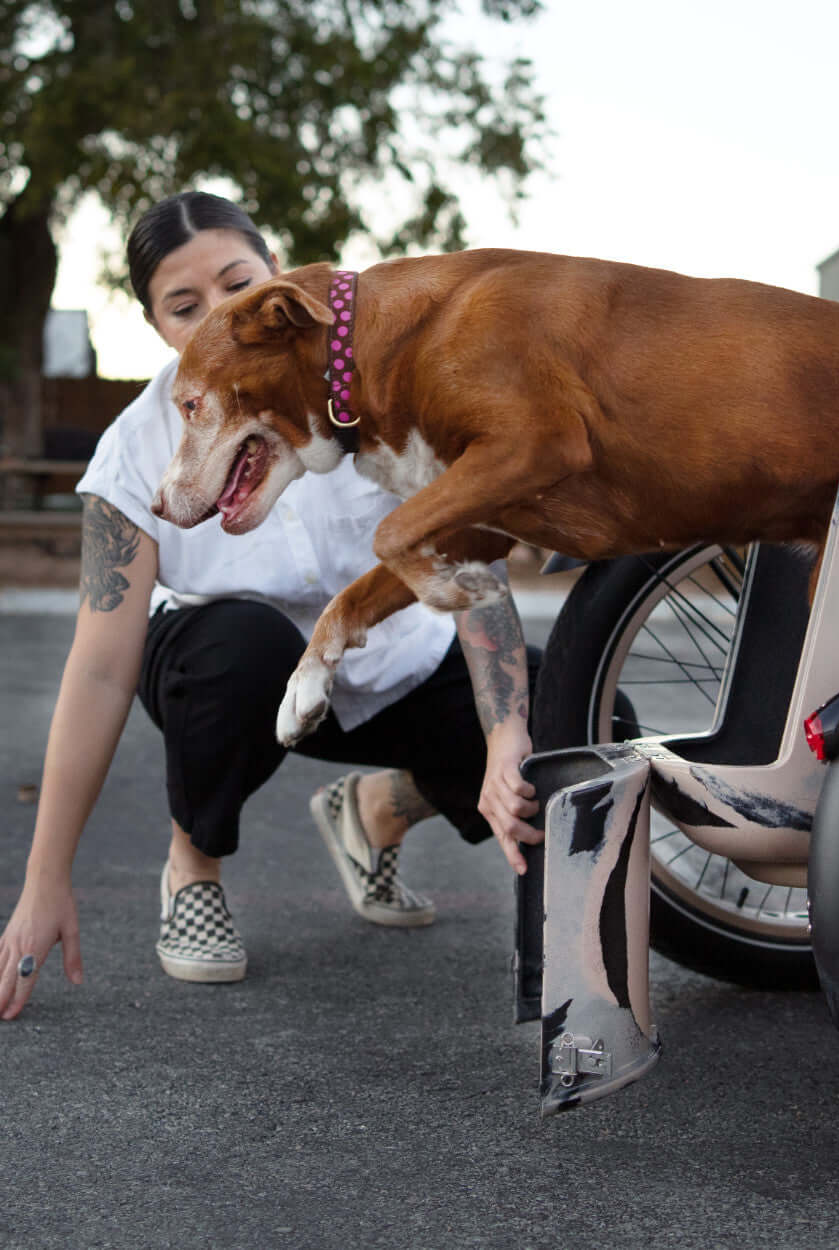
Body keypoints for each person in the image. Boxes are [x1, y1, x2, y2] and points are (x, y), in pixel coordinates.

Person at [0, 191, 540, 1018]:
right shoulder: (134, 452)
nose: (223, 315)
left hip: (389, 663)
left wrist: (508, 735)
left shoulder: (381, 388)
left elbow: (468, 567)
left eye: (237, 283)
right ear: (156, 330)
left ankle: (376, 811)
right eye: (185, 306)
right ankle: (193, 864)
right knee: (247, 641)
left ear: (279, 277)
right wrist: (44, 883)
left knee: (583, 722)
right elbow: (102, 669)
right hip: (231, 676)